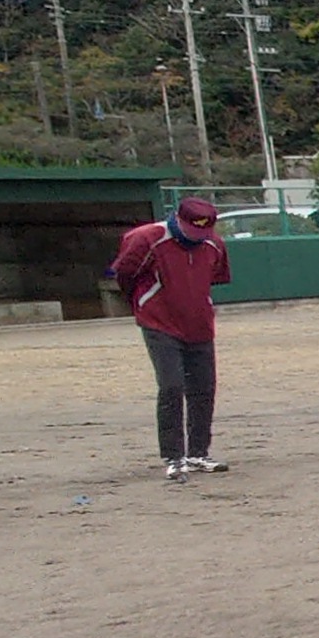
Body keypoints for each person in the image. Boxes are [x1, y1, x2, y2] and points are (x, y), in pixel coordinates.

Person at [110, 196, 235, 482]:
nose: (199, 236)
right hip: (160, 324)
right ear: (178, 219)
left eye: (205, 231)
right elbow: (124, 274)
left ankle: (198, 453)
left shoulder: (214, 245)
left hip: (200, 325)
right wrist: (145, 303)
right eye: (193, 230)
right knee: (171, 386)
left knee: (204, 387)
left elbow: (215, 277)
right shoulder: (146, 239)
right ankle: (173, 457)